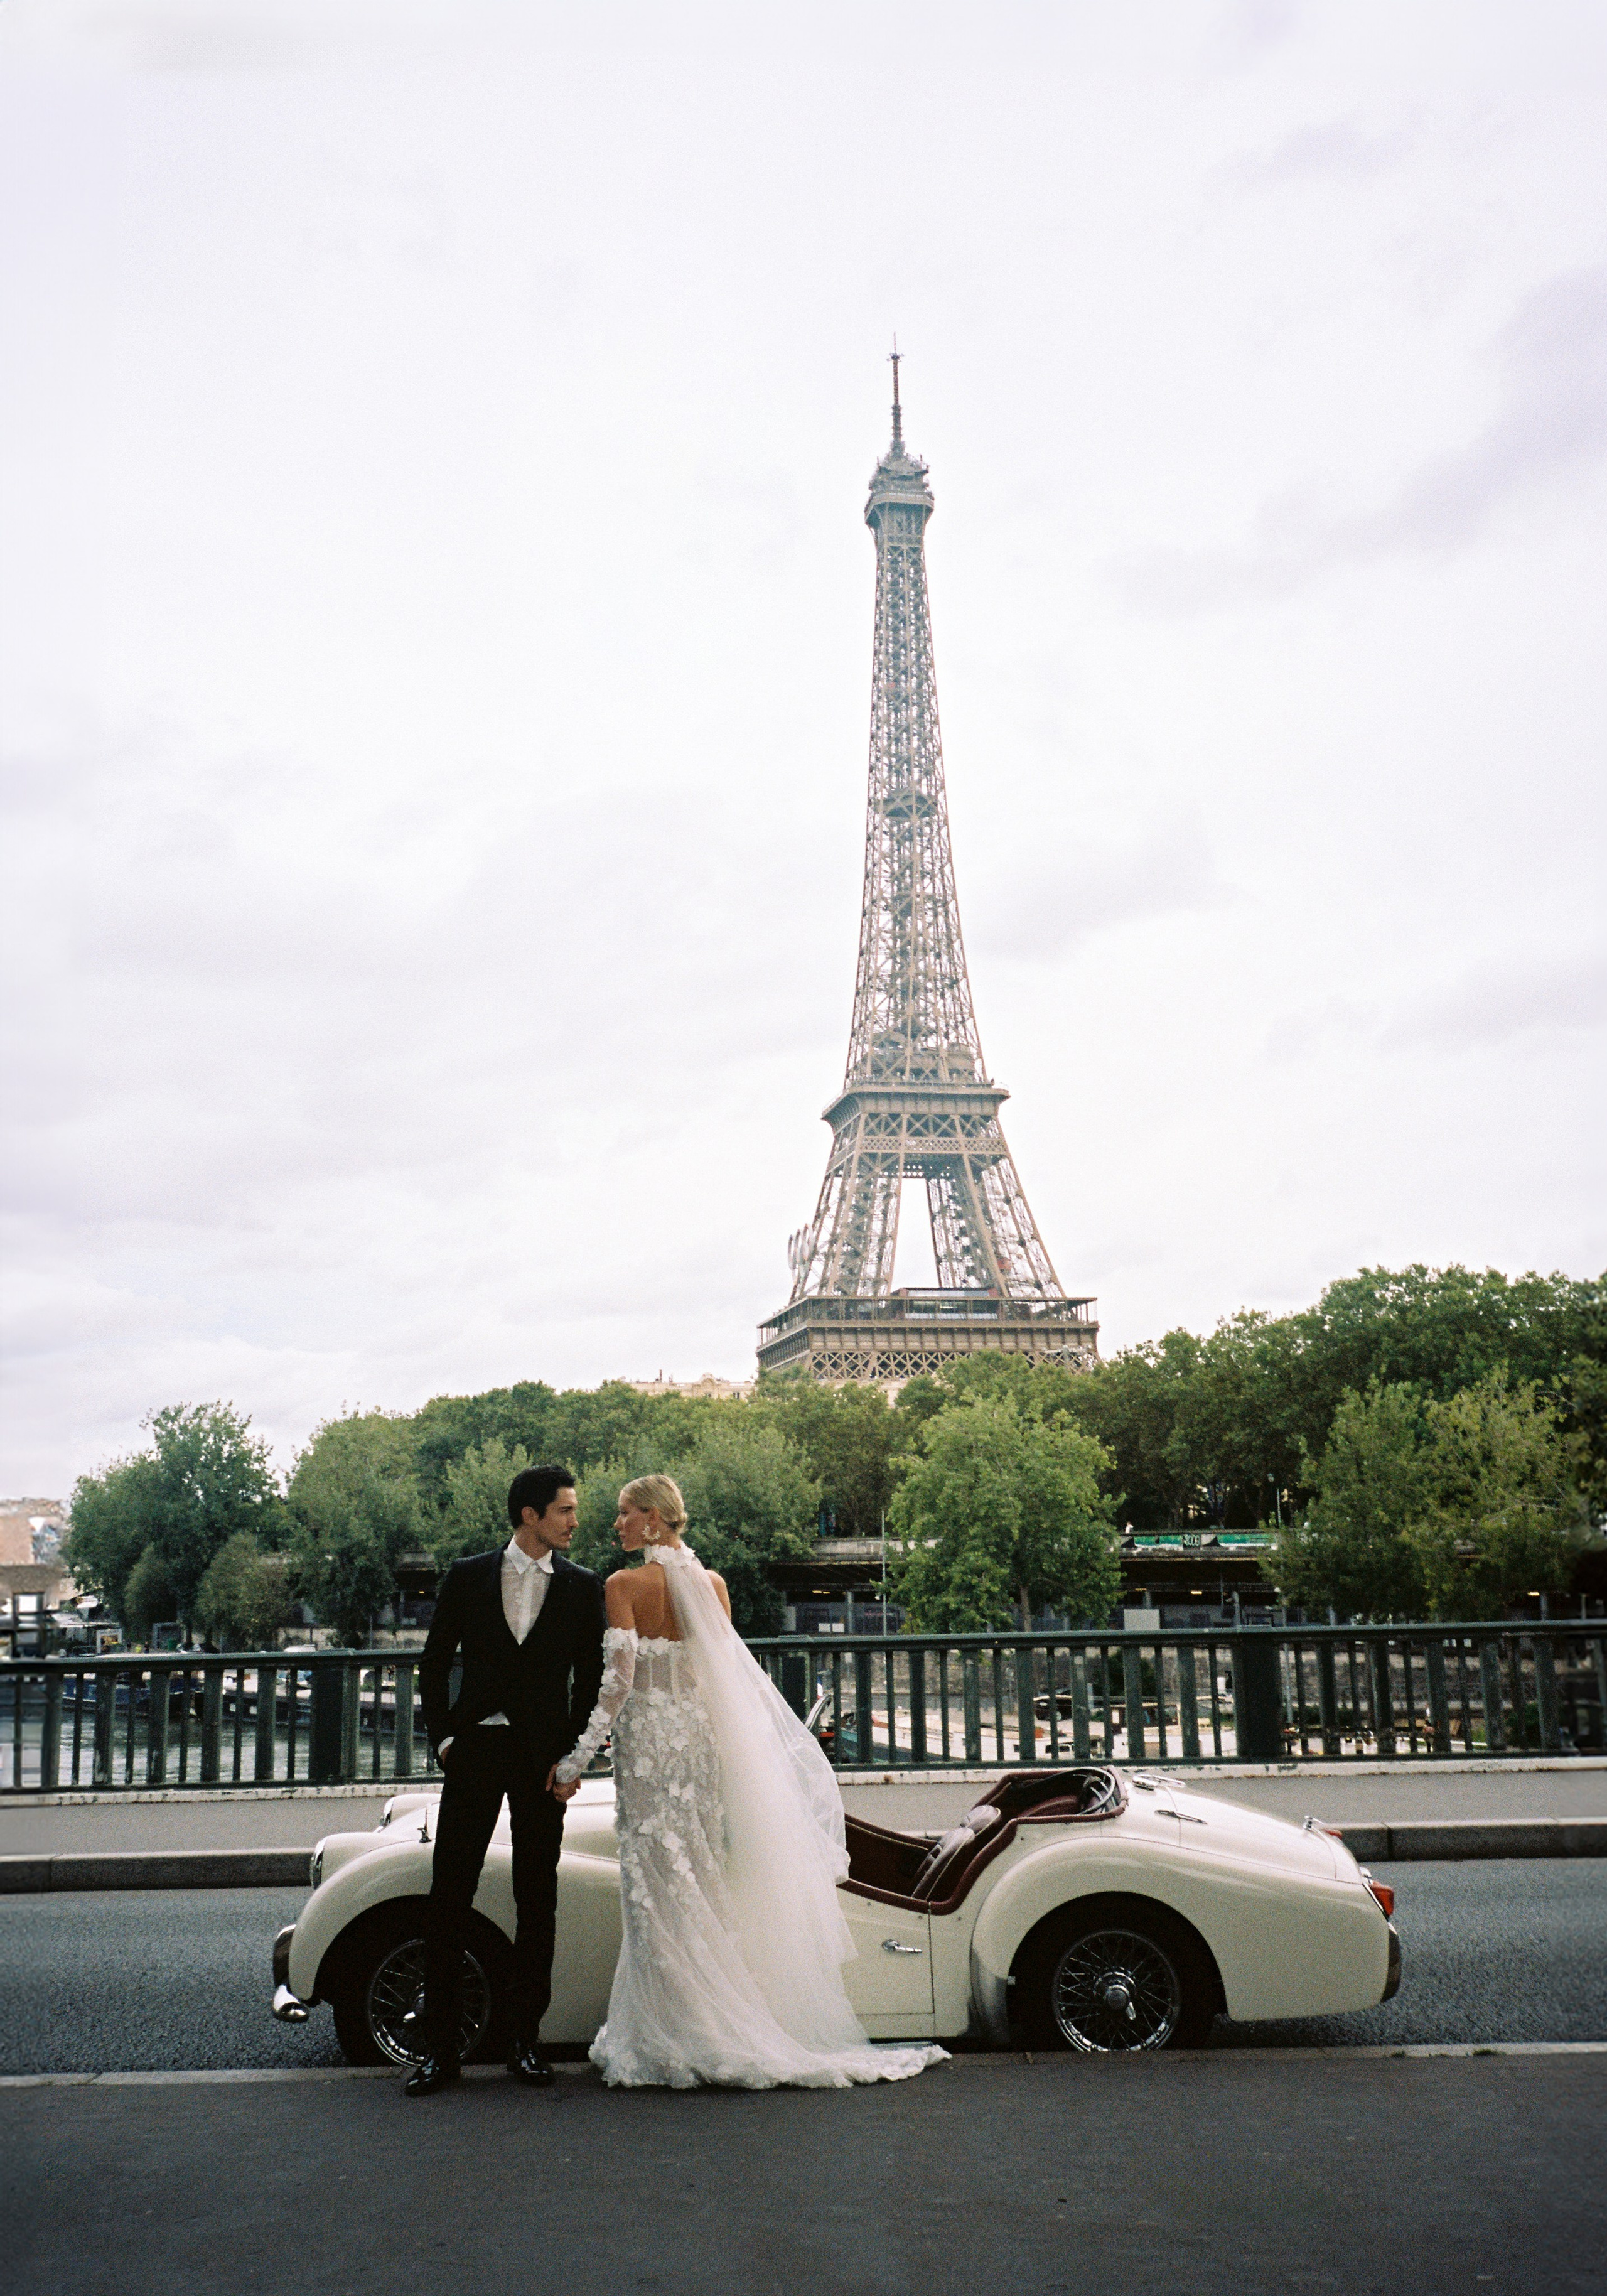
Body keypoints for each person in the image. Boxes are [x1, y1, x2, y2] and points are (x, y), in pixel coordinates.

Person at [552, 1472, 948, 2089]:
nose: (616, 1525)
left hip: (650, 1758)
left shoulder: (622, 1585)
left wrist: (575, 1761)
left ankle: (668, 2031)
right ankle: (705, 2024)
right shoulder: (711, 1586)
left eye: (625, 1514)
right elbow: (724, 1687)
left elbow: (617, 1685)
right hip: (699, 1755)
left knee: (653, 1888)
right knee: (701, 1879)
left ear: (653, 1519)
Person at [410, 1463, 605, 2096]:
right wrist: (443, 1741)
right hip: (474, 1752)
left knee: (536, 1900)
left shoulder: (582, 1587)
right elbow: (435, 1662)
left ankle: (525, 2042)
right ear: (531, 1516)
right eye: (566, 1511)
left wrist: (571, 1754)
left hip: (540, 1761)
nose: (576, 1521)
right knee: (449, 1896)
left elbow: (592, 1678)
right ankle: (440, 2051)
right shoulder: (467, 1576)